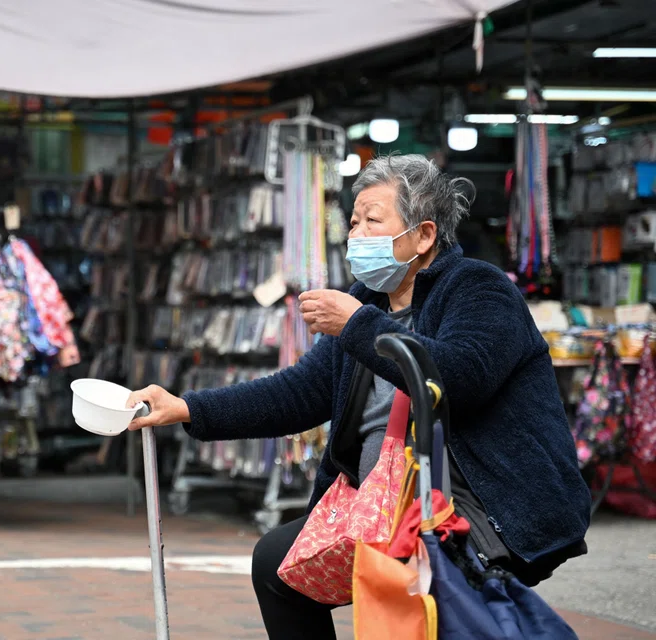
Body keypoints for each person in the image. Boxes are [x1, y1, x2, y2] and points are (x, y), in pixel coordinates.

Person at [126, 154, 591, 639]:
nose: (356, 235)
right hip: (382, 502)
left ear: (424, 235)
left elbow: (458, 379)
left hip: (478, 502)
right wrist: (185, 407)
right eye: (353, 222)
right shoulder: (367, 302)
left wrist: (356, 326)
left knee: (429, 597)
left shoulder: (478, 288)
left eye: (373, 220)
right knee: (276, 564)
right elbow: (299, 392)